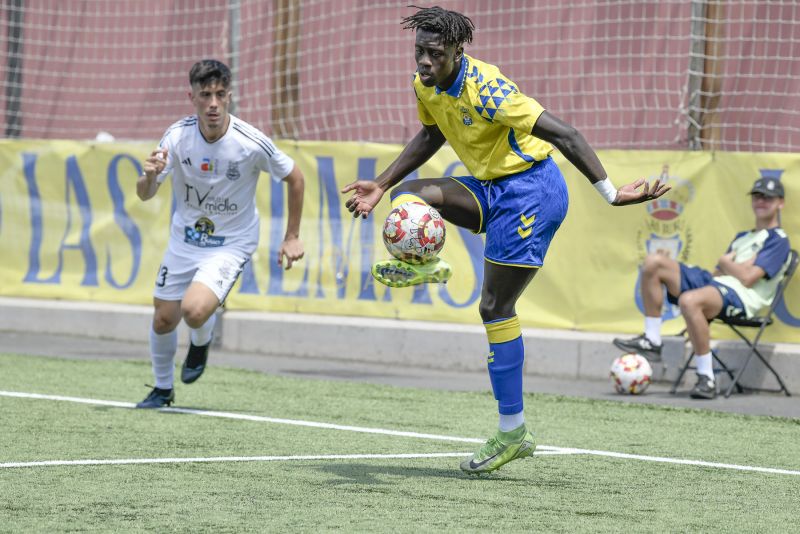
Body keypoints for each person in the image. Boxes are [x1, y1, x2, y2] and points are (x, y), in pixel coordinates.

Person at [341, 6, 669, 474]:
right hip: (492, 187)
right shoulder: (424, 85)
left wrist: (612, 194)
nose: (425, 62)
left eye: (435, 54)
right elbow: (432, 133)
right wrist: (382, 181)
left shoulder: (490, 89)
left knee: (494, 307)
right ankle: (426, 264)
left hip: (532, 191)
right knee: (410, 195)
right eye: (420, 52)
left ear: (459, 51)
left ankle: (513, 432)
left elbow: (568, 136)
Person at [135, 59, 305, 408]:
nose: (213, 103)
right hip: (185, 240)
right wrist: (149, 175)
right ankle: (162, 389)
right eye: (205, 95)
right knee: (164, 318)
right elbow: (145, 193)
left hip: (231, 243)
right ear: (192, 96)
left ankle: (201, 341)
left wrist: (291, 236)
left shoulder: (250, 142)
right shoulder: (177, 136)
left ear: (229, 96)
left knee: (194, 311)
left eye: (219, 94)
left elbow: (296, 177)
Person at [614, 176, 790, 400]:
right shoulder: (743, 237)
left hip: (743, 299)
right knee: (653, 263)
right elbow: (721, 273)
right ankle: (652, 340)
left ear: (780, 203)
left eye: (768, 197)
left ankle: (707, 378)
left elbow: (747, 278)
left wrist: (728, 263)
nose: (761, 201)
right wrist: (734, 266)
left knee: (690, 300)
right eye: (757, 196)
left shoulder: (778, 239)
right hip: (718, 285)